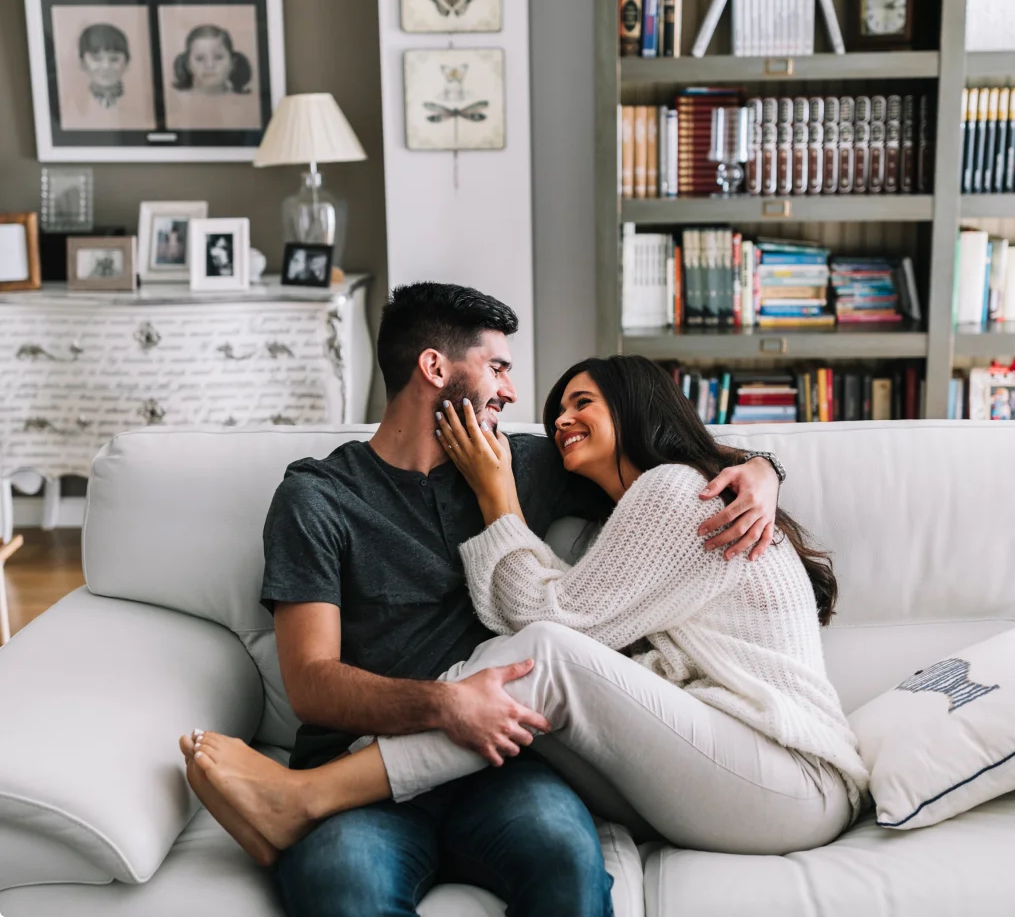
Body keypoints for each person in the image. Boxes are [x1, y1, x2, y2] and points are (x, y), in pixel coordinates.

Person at [178, 283, 784, 915]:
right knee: (342, 886)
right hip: (359, 773)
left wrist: (764, 471)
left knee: (571, 874)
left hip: (502, 767)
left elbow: (668, 456)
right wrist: (445, 705)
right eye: (497, 368)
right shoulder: (318, 498)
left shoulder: (525, 466)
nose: (513, 393)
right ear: (435, 368)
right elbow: (309, 683)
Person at [172, 24, 253, 96]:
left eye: (218, 57)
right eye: (200, 59)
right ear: (188, 64)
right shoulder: (179, 101)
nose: (209, 65)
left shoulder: (244, 101)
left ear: (232, 63)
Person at [78, 23, 130, 110]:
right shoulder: (75, 103)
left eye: (114, 59)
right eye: (96, 59)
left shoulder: (142, 100)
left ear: (126, 63)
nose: (106, 66)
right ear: (83, 63)